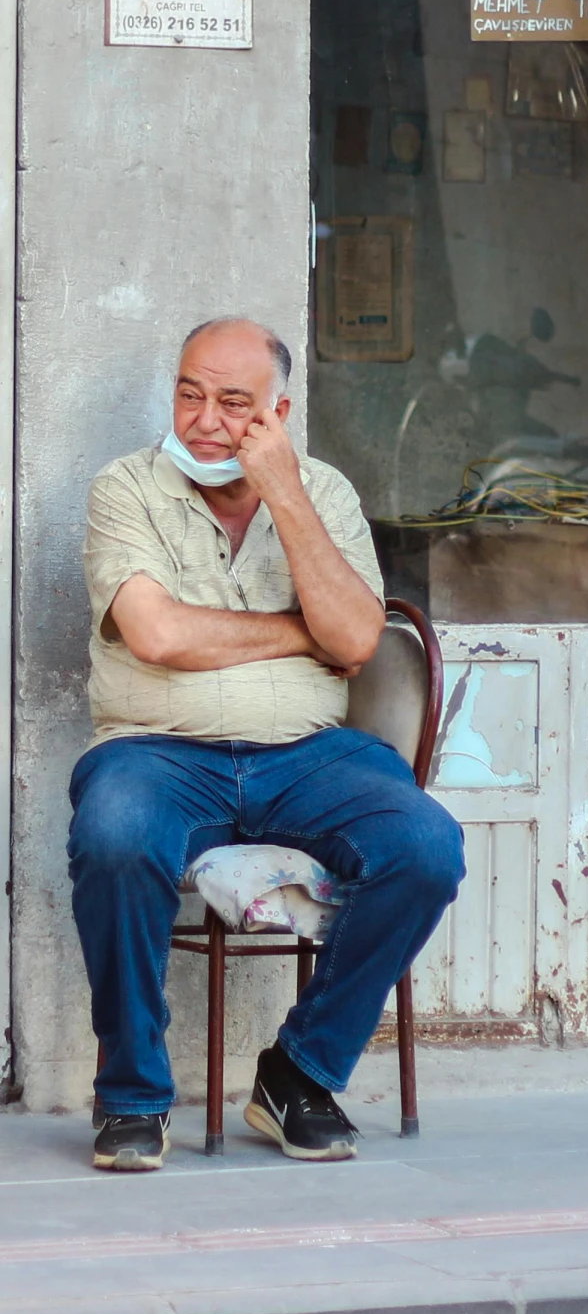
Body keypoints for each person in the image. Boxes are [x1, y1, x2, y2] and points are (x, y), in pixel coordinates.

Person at [67, 318, 464, 1171]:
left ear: (278, 412)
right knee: (112, 837)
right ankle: (133, 1096)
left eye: (234, 402)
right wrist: (298, 630)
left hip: (308, 754)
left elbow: (357, 637)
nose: (204, 418)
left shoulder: (322, 491)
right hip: (158, 750)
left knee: (427, 846)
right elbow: (160, 633)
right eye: (189, 392)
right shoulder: (124, 488)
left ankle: (298, 1074)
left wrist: (284, 494)